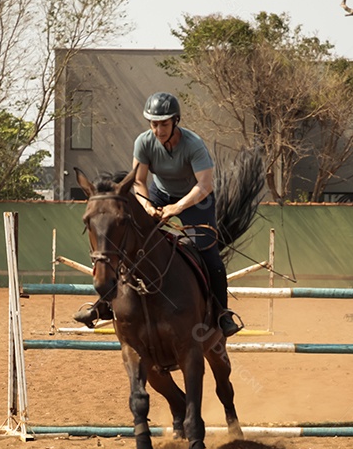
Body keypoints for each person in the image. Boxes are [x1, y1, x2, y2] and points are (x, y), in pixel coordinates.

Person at [74, 92, 242, 338]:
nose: (159, 129)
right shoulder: (143, 142)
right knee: (127, 242)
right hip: (158, 194)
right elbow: (139, 181)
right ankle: (105, 305)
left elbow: (205, 185)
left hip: (196, 200)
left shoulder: (193, 145)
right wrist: (146, 205)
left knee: (209, 254)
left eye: (164, 123)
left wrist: (178, 207)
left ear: (176, 121)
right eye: (154, 123)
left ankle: (222, 313)